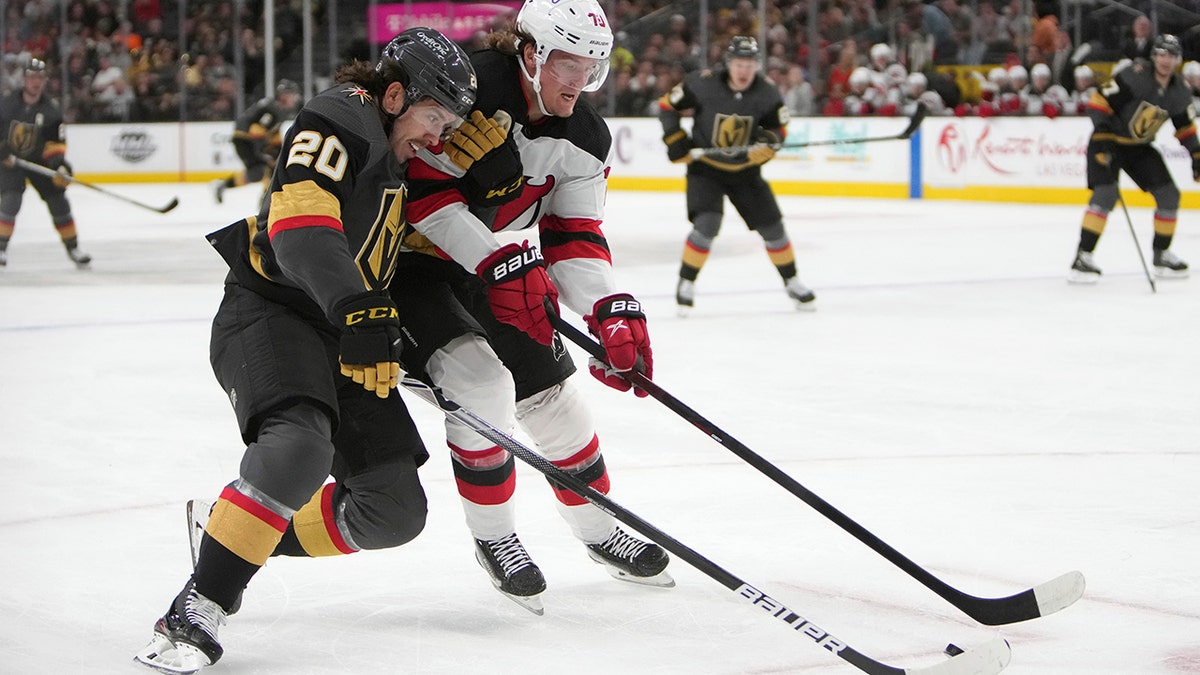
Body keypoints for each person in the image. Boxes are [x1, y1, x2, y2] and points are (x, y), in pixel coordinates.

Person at [133, 28, 478, 673]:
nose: (441, 135)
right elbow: (298, 227)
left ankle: (228, 529)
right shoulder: (340, 116)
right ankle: (199, 607)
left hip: (347, 325)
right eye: (435, 117)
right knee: (298, 446)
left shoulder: (408, 162)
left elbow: (403, 259)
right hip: (272, 311)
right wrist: (361, 310)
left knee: (392, 512)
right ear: (395, 94)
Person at [390, 0, 671, 615]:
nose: (579, 79)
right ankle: (496, 539)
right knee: (481, 385)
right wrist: (499, 260)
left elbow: (574, 235)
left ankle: (600, 532)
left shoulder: (587, 137)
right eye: (567, 63)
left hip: (496, 264)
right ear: (531, 52)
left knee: (557, 403)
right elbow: (425, 201)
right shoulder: (468, 87)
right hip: (407, 269)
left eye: (591, 65)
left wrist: (608, 306)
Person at [660, 36, 815, 314]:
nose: (744, 71)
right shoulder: (703, 83)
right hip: (705, 169)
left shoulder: (767, 92)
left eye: (750, 64)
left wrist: (769, 144)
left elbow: (778, 129)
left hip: (745, 171)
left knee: (774, 229)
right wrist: (675, 138)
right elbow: (666, 105)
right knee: (707, 225)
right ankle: (686, 282)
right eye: (740, 64)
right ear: (729, 64)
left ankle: (792, 280)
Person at [1068, 34, 1200, 283]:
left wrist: (1196, 152)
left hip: (1138, 147)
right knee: (1105, 196)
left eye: (1171, 55)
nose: (1166, 60)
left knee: (1169, 195)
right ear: (1154, 57)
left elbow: (1184, 125)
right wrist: (1104, 132)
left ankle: (1162, 254)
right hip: (1108, 141)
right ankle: (1082, 257)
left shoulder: (1179, 89)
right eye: (1161, 54)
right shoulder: (1136, 75)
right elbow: (1098, 101)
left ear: (1178, 60)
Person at [0, 58, 89, 269]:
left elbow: (55, 144)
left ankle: (73, 248)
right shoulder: (6, 104)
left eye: (39, 77)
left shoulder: (51, 110)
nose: (35, 82)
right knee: (11, 200)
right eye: (31, 77)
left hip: (38, 161)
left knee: (59, 200)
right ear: (23, 80)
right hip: (10, 162)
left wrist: (59, 165)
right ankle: (1, 248)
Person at [209, 78, 302, 204]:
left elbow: (272, 133)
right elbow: (256, 130)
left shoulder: (277, 109)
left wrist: (279, 150)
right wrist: (268, 151)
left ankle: (224, 185)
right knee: (267, 168)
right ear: (283, 96)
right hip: (246, 140)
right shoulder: (273, 109)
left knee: (257, 173)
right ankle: (266, 201)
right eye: (292, 94)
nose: (295, 98)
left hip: (247, 139)